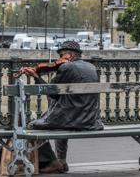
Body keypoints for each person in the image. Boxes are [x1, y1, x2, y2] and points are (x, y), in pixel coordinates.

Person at [22, 40, 104, 173]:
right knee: (57, 121)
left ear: (70, 55)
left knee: (32, 127)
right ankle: (62, 161)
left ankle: (54, 161)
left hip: (70, 119)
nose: (59, 59)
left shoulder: (66, 67)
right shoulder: (91, 68)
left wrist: (36, 76)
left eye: (61, 55)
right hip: (91, 120)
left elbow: (52, 93)